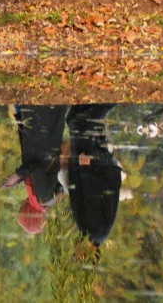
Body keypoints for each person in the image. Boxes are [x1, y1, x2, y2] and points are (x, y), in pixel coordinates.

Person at [65, 105, 122, 259]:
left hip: (92, 167)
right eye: (76, 254)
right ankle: (117, 96)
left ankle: (110, 94)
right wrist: (84, 169)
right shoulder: (94, 232)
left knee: (74, 118)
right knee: (81, 122)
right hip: (93, 166)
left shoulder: (93, 234)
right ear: (86, 253)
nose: (74, 249)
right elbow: (92, 196)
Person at [2, 105, 69, 235]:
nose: (22, 207)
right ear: (30, 215)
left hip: (44, 130)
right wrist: (16, 176)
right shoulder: (42, 197)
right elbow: (35, 169)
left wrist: (17, 180)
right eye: (23, 211)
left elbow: (36, 173)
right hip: (43, 128)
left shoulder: (44, 199)